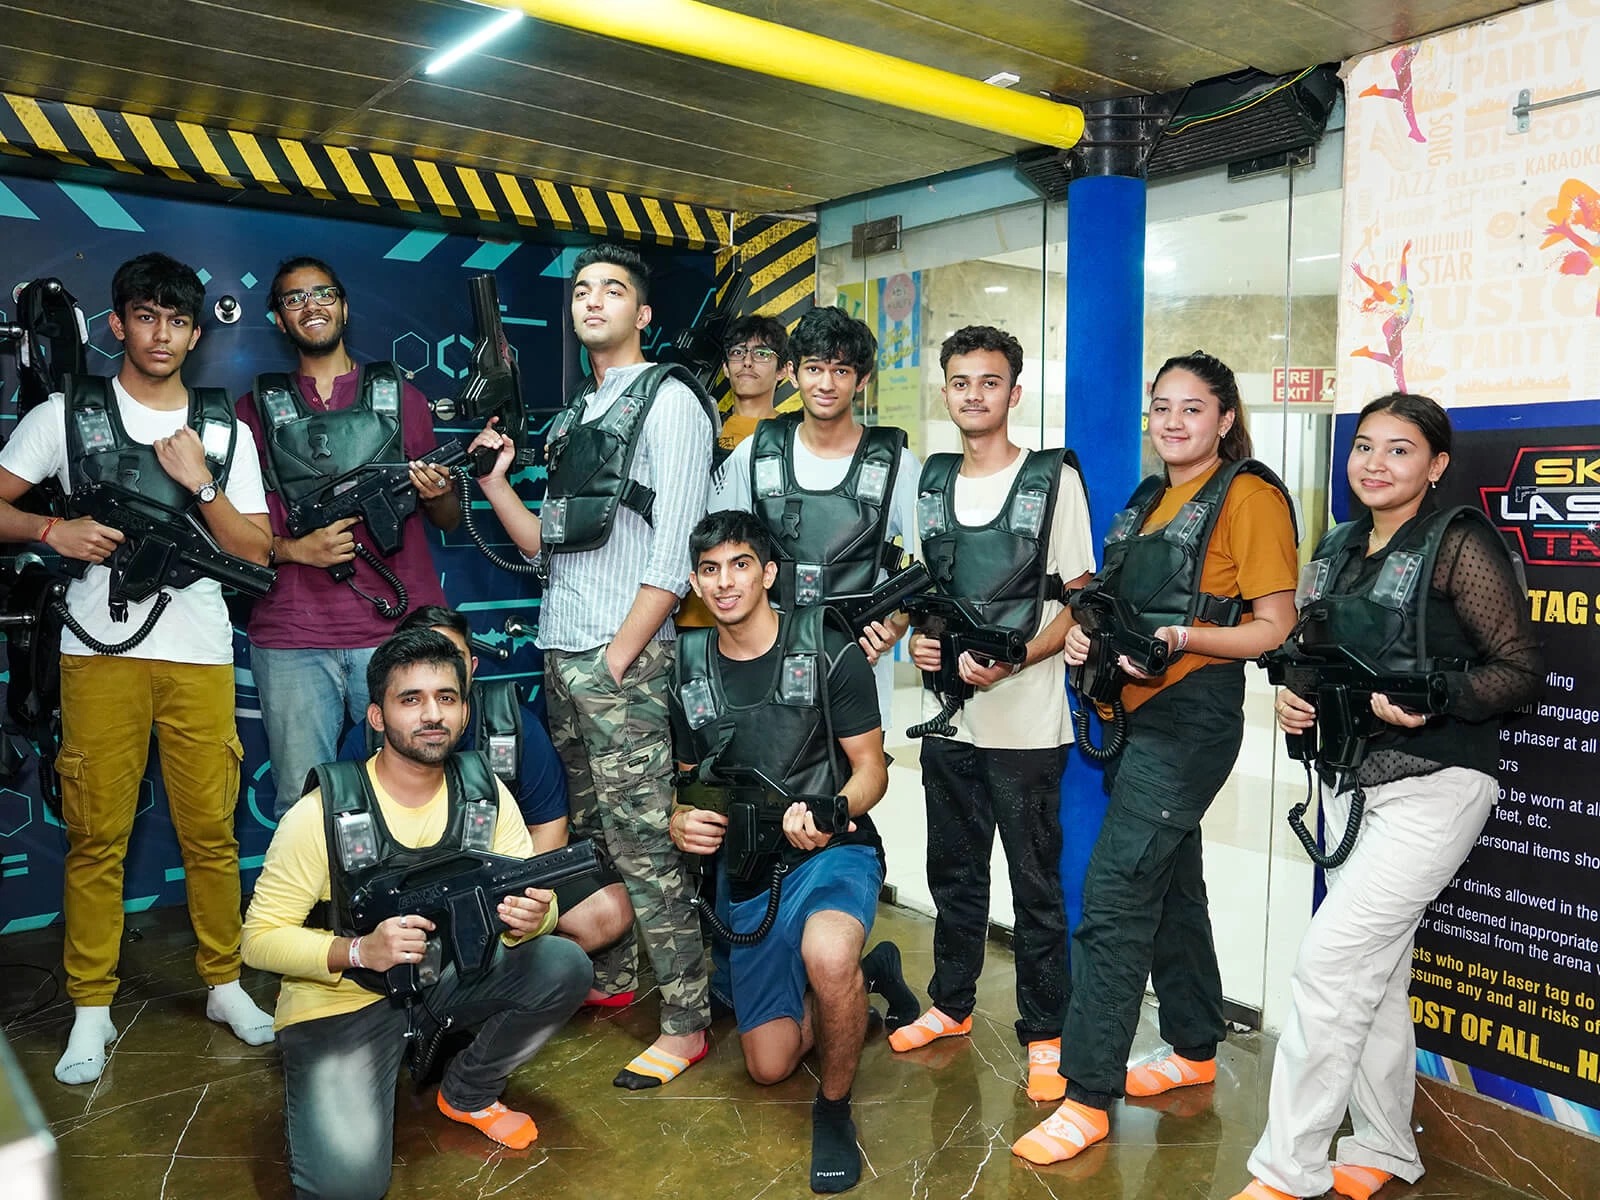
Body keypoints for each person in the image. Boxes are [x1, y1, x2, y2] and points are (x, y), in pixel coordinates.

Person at [1228, 393, 1541, 1200]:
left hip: (1437, 785)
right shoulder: (1335, 547)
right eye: (1363, 446)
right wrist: (1295, 697)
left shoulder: (1458, 543)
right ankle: (1385, 1147)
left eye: (1399, 451)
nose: (1373, 463)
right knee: (1377, 978)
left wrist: (1432, 696)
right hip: (1348, 784)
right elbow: (1306, 655)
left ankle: (1287, 1170)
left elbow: (1516, 670)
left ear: (1435, 466)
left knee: (1329, 965)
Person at [1013, 350, 1300, 1164]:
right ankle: (1195, 1048)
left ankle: (1087, 1093)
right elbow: (1114, 602)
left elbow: (1274, 625)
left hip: (1193, 719)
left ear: (1226, 418)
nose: (1173, 423)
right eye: (1161, 408)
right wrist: (1087, 640)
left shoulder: (1248, 496)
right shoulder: (1147, 498)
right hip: (1134, 710)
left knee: (1112, 898)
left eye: (1193, 409)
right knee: (1173, 886)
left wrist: (1183, 638)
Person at [0, 252, 276, 1084]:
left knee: (213, 837)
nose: (162, 334)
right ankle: (92, 1008)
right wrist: (52, 533)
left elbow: (257, 548)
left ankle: (225, 984)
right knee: (96, 839)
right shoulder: (66, 414)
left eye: (179, 320)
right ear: (117, 324)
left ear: (197, 332)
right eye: (146, 317)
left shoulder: (225, 427)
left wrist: (201, 486)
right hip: (97, 655)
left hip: (198, 656)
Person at [469, 243, 719, 1088]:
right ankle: (614, 979)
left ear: (643, 314)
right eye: (581, 291)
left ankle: (686, 1020)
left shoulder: (670, 401)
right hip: (560, 651)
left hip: (621, 656)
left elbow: (677, 550)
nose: (593, 301)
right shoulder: (579, 412)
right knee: (591, 838)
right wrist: (500, 483)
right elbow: (548, 547)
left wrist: (617, 659)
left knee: (647, 844)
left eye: (613, 290)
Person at [242, 628, 592, 1200]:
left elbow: (535, 912)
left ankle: (469, 1090)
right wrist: (359, 950)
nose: (432, 714)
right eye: (412, 700)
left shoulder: (486, 794)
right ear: (376, 717)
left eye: (446, 698)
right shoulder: (322, 813)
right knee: (346, 1189)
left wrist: (537, 919)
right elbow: (257, 940)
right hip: (344, 1001)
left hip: (450, 977)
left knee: (563, 964)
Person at [668, 510, 910, 1194]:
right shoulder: (688, 667)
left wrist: (836, 810)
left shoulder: (826, 648)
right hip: (749, 876)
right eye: (710, 569)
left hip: (833, 854)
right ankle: (866, 983)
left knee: (827, 953)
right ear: (694, 581)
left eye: (740, 564)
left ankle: (834, 1107)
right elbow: (692, 787)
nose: (725, 582)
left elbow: (872, 769)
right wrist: (680, 822)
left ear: (769, 573)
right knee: (768, 1064)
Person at [888, 327, 1095, 1106]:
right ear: (946, 392)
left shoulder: (1053, 481)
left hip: (1027, 724)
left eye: (990, 381)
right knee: (954, 873)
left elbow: (1082, 605)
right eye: (961, 381)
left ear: (1016, 393)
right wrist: (924, 646)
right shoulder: (931, 481)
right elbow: (921, 597)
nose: (974, 394)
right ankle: (951, 1004)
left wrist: (1015, 658)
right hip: (951, 724)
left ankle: (1045, 1032)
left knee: (1035, 885)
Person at [236, 255, 460, 821]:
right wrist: (295, 550)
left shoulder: (398, 396)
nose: (311, 305)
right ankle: (317, 914)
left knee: (414, 793)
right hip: (292, 635)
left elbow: (450, 520)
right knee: (303, 805)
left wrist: (435, 491)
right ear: (278, 318)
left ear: (344, 305)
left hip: (395, 632)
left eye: (323, 293)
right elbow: (231, 529)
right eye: (294, 298)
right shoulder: (253, 408)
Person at [338, 605, 634, 1001]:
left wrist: (509, 896)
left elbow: (549, 826)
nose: (438, 675)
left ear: (472, 665)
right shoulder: (370, 738)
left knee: (609, 910)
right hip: (412, 892)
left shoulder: (509, 723)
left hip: (502, 877)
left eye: (450, 661)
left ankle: (504, 986)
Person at [710, 304, 920, 724]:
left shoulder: (897, 464)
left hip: (858, 664)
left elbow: (929, 569)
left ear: (862, 381)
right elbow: (719, 553)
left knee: (854, 784)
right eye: (814, 368)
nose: (826, 383)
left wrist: (896, 625)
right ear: (792, 372)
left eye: (841, 371)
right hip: (764, 663)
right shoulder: (756, 454)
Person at [717, 313, 794, 456]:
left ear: (782, 370)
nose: (747, 362)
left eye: (761, 353)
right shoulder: (708, 428)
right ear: (726, 368)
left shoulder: (792, 433)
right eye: (737, 352)